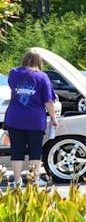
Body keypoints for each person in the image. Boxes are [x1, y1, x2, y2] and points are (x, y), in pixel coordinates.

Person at [4, 49, 59, 188]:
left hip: (14, 118)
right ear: (39, 61)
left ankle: (17, 181)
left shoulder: (14, 73)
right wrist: (53, 117)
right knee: (35, 150)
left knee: (17, 150)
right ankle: (34, 180)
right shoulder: (42, 77)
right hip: (35, 120)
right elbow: (48, 101)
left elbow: (13, 87)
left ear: (25, 58)